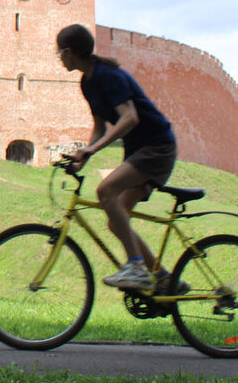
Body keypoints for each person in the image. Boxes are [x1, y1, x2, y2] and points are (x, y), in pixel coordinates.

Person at [56, 24, 186, 293]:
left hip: (156, 147)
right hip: (141, 150)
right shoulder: (88, 82)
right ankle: (164, 279)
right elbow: (100, 128)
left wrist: (91, 151)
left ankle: (136, 267)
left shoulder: (108, 76)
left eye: (59, 53)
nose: (59, 58)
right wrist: (84, 157)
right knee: (117, 221)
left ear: (69, 52)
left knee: (105, 190)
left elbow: (130, 118)